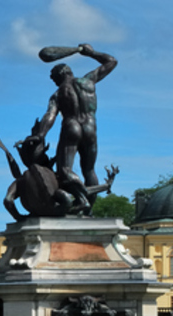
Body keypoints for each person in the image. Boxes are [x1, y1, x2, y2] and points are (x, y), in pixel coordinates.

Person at [34, 44, 117, 208]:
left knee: (64, 170)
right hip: (90, 128)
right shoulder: (89, 80)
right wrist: (91, 53)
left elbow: (50, 115)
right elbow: (111, 61)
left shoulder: (58, 94)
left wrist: (40, 135)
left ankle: (81, 200)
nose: (53, 80)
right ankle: (88, 210)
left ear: (62, 73)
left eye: (53, 77)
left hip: (71, 127)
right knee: (89, 171)